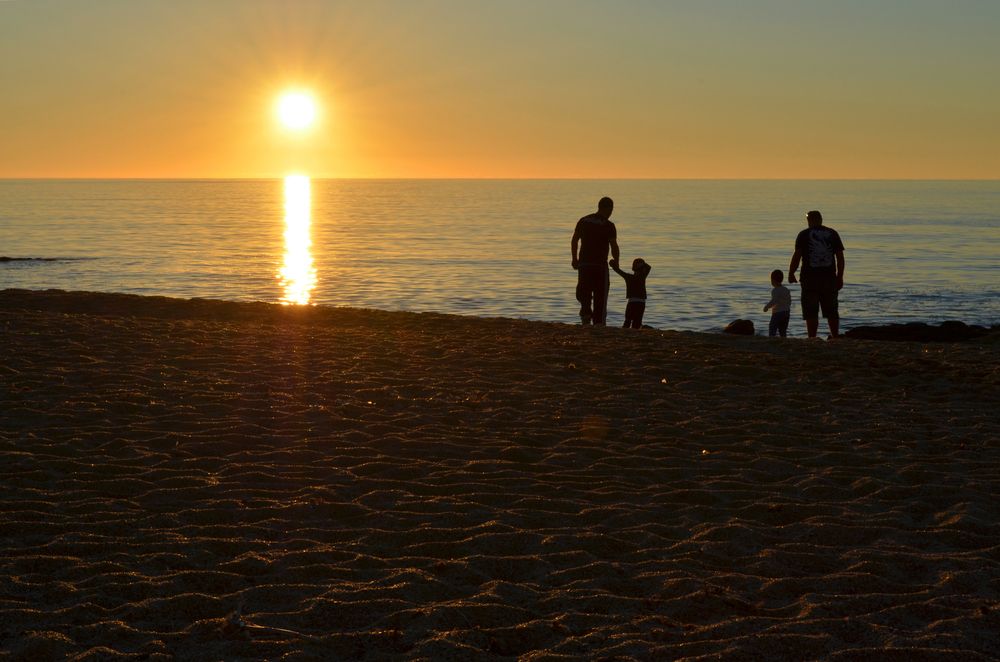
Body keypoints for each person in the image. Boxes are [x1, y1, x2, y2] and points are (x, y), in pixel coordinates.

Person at [788, 210, 845, 338]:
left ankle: (812, 337)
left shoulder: (803, 234)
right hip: (829, 278)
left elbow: (797, 256)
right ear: (821, 219)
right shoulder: (832, 233)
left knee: (811, 311)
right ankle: (835, 336)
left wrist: (791, 273)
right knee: (831, 310)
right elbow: (840, 258)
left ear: (809, 220)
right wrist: (840, 277)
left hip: (809, 279)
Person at [571, 197, 620, 325]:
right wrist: (616, 262)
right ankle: (598, 323)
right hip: (599, 266)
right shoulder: (608, 225)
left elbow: (574, 240)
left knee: (584, 293)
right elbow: (614, 245)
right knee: (600, 297)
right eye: (611, 209)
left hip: (584, 265)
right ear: (608, 208)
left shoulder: (584, 220)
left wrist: (574, 258)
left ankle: (586, 316)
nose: (611, 213)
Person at [610, 257, 652, 328]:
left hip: (631, 302)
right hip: (641, 303)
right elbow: (648, 267)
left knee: (627, 321)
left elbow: (618, 270)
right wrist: (642, 264)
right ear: (643, 269)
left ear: (633, 268)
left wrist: (613, 264)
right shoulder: (642, 276)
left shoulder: (628, 277)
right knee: (637, 322)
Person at [763, 269, 792, 337]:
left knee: (772, 328)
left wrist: (767, 307)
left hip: (777, 313)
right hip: (786, 313)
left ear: (773, 280)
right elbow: (789, 301)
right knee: (783, 330)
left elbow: (774, 301)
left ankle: (771, 339)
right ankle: (783, 339)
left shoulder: (775, 290)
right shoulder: (786, 289)